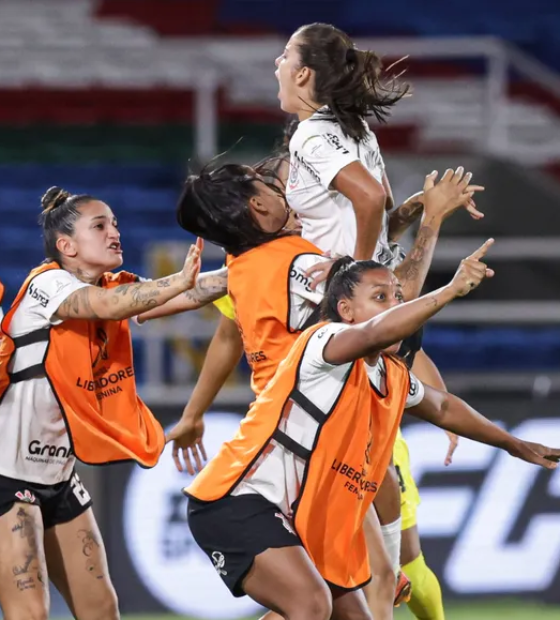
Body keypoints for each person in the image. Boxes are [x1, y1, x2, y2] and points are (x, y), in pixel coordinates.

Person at [184, 246, 560, 620]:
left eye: (397, 297)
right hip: (237, 498)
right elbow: (378, 330)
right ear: (346, 311)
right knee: (311, 604)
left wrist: (513, 444)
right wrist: (449, 290)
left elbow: (443, 407)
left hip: (294, 516)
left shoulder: (391, 376)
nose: (394, 305)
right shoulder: (322, 343)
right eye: (380, 297)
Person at [275, 22, 488, 616]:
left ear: (304, 73)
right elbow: (382, 212)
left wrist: (352, 274)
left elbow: (368, 202)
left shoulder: (311, 137)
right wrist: (415, 220)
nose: (275, 63)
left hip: (344, 329)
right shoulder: (357, 130)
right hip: (381, 316)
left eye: (285, 55)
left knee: (337, 549)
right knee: (376, 538)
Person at [0, 186, 220, 620]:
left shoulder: (113, 286)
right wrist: (178, 279)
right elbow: (105, 306)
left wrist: (250, 272)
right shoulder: (47, 284)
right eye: (99, 226)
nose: (114, 232)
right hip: (7, 476)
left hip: (59, 478)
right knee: (29, 613)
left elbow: (184, 295)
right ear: (66, 246)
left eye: (115, 223)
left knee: (102, 611)